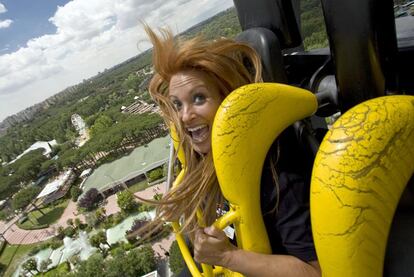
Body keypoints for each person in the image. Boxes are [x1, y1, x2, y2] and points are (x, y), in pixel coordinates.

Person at [144, 25, 321, 277]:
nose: (185, 116)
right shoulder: (202, 163)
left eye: (198, 98)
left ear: (228, 101)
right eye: (177, 104)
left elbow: (313, 273)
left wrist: (228, 256)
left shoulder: (276, 175)